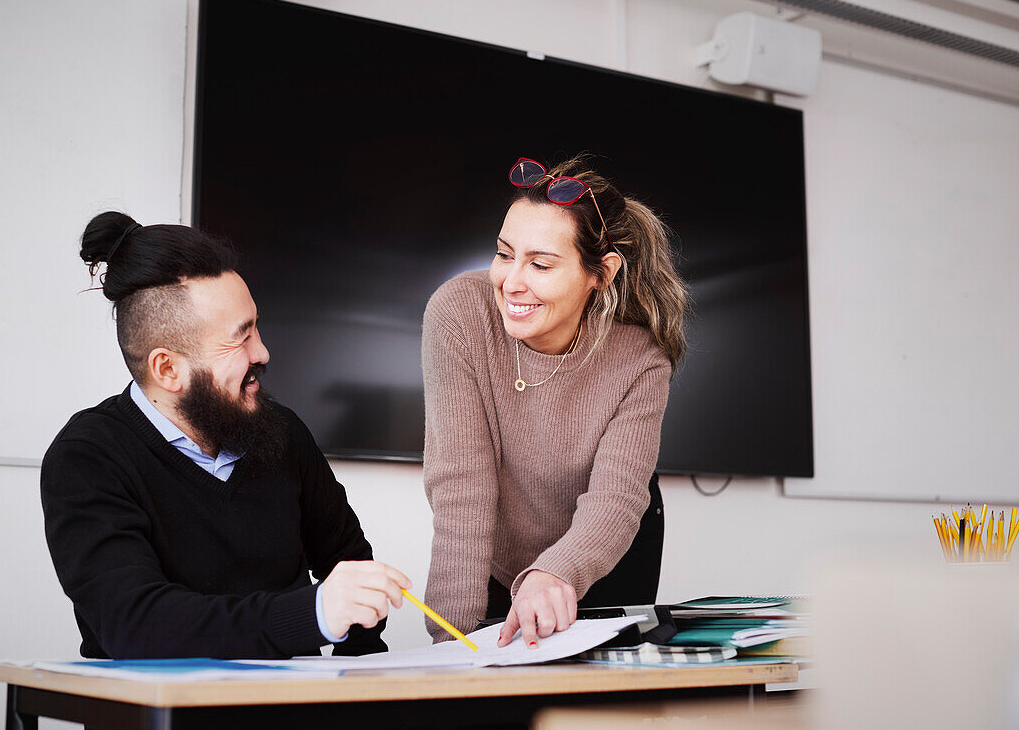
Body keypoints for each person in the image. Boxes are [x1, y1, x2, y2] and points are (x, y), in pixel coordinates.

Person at [41, 212, 410, 659]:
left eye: (256, 327)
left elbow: (351, 569)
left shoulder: (282, 431)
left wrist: (353, 685)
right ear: (168, 369)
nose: (263, 352)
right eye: (241, 337)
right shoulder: (87, 458)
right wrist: (312, 615)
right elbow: (133, 624)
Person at [422, 155, 689, 647]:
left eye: (541, 264)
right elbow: (462, 483)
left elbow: (616, 498)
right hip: (499, 555)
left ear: (601, 274)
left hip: (606, 548)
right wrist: (448, 643)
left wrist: (558, 571)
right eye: (504, 255)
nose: (511, 283)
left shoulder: (640, 358)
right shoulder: (459, 314)